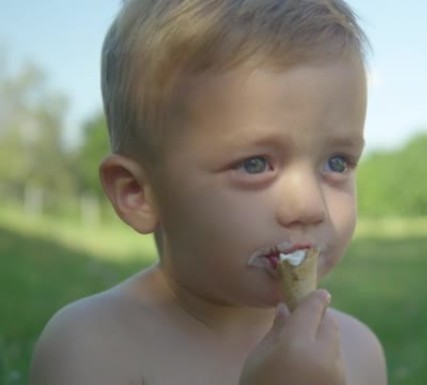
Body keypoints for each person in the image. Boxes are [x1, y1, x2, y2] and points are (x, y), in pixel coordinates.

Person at [29, 0, 387, 384]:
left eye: (336, 163)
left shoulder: (357, 352)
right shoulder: (92, 347)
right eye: (254, 164)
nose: (310, 206)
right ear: (138, 192)